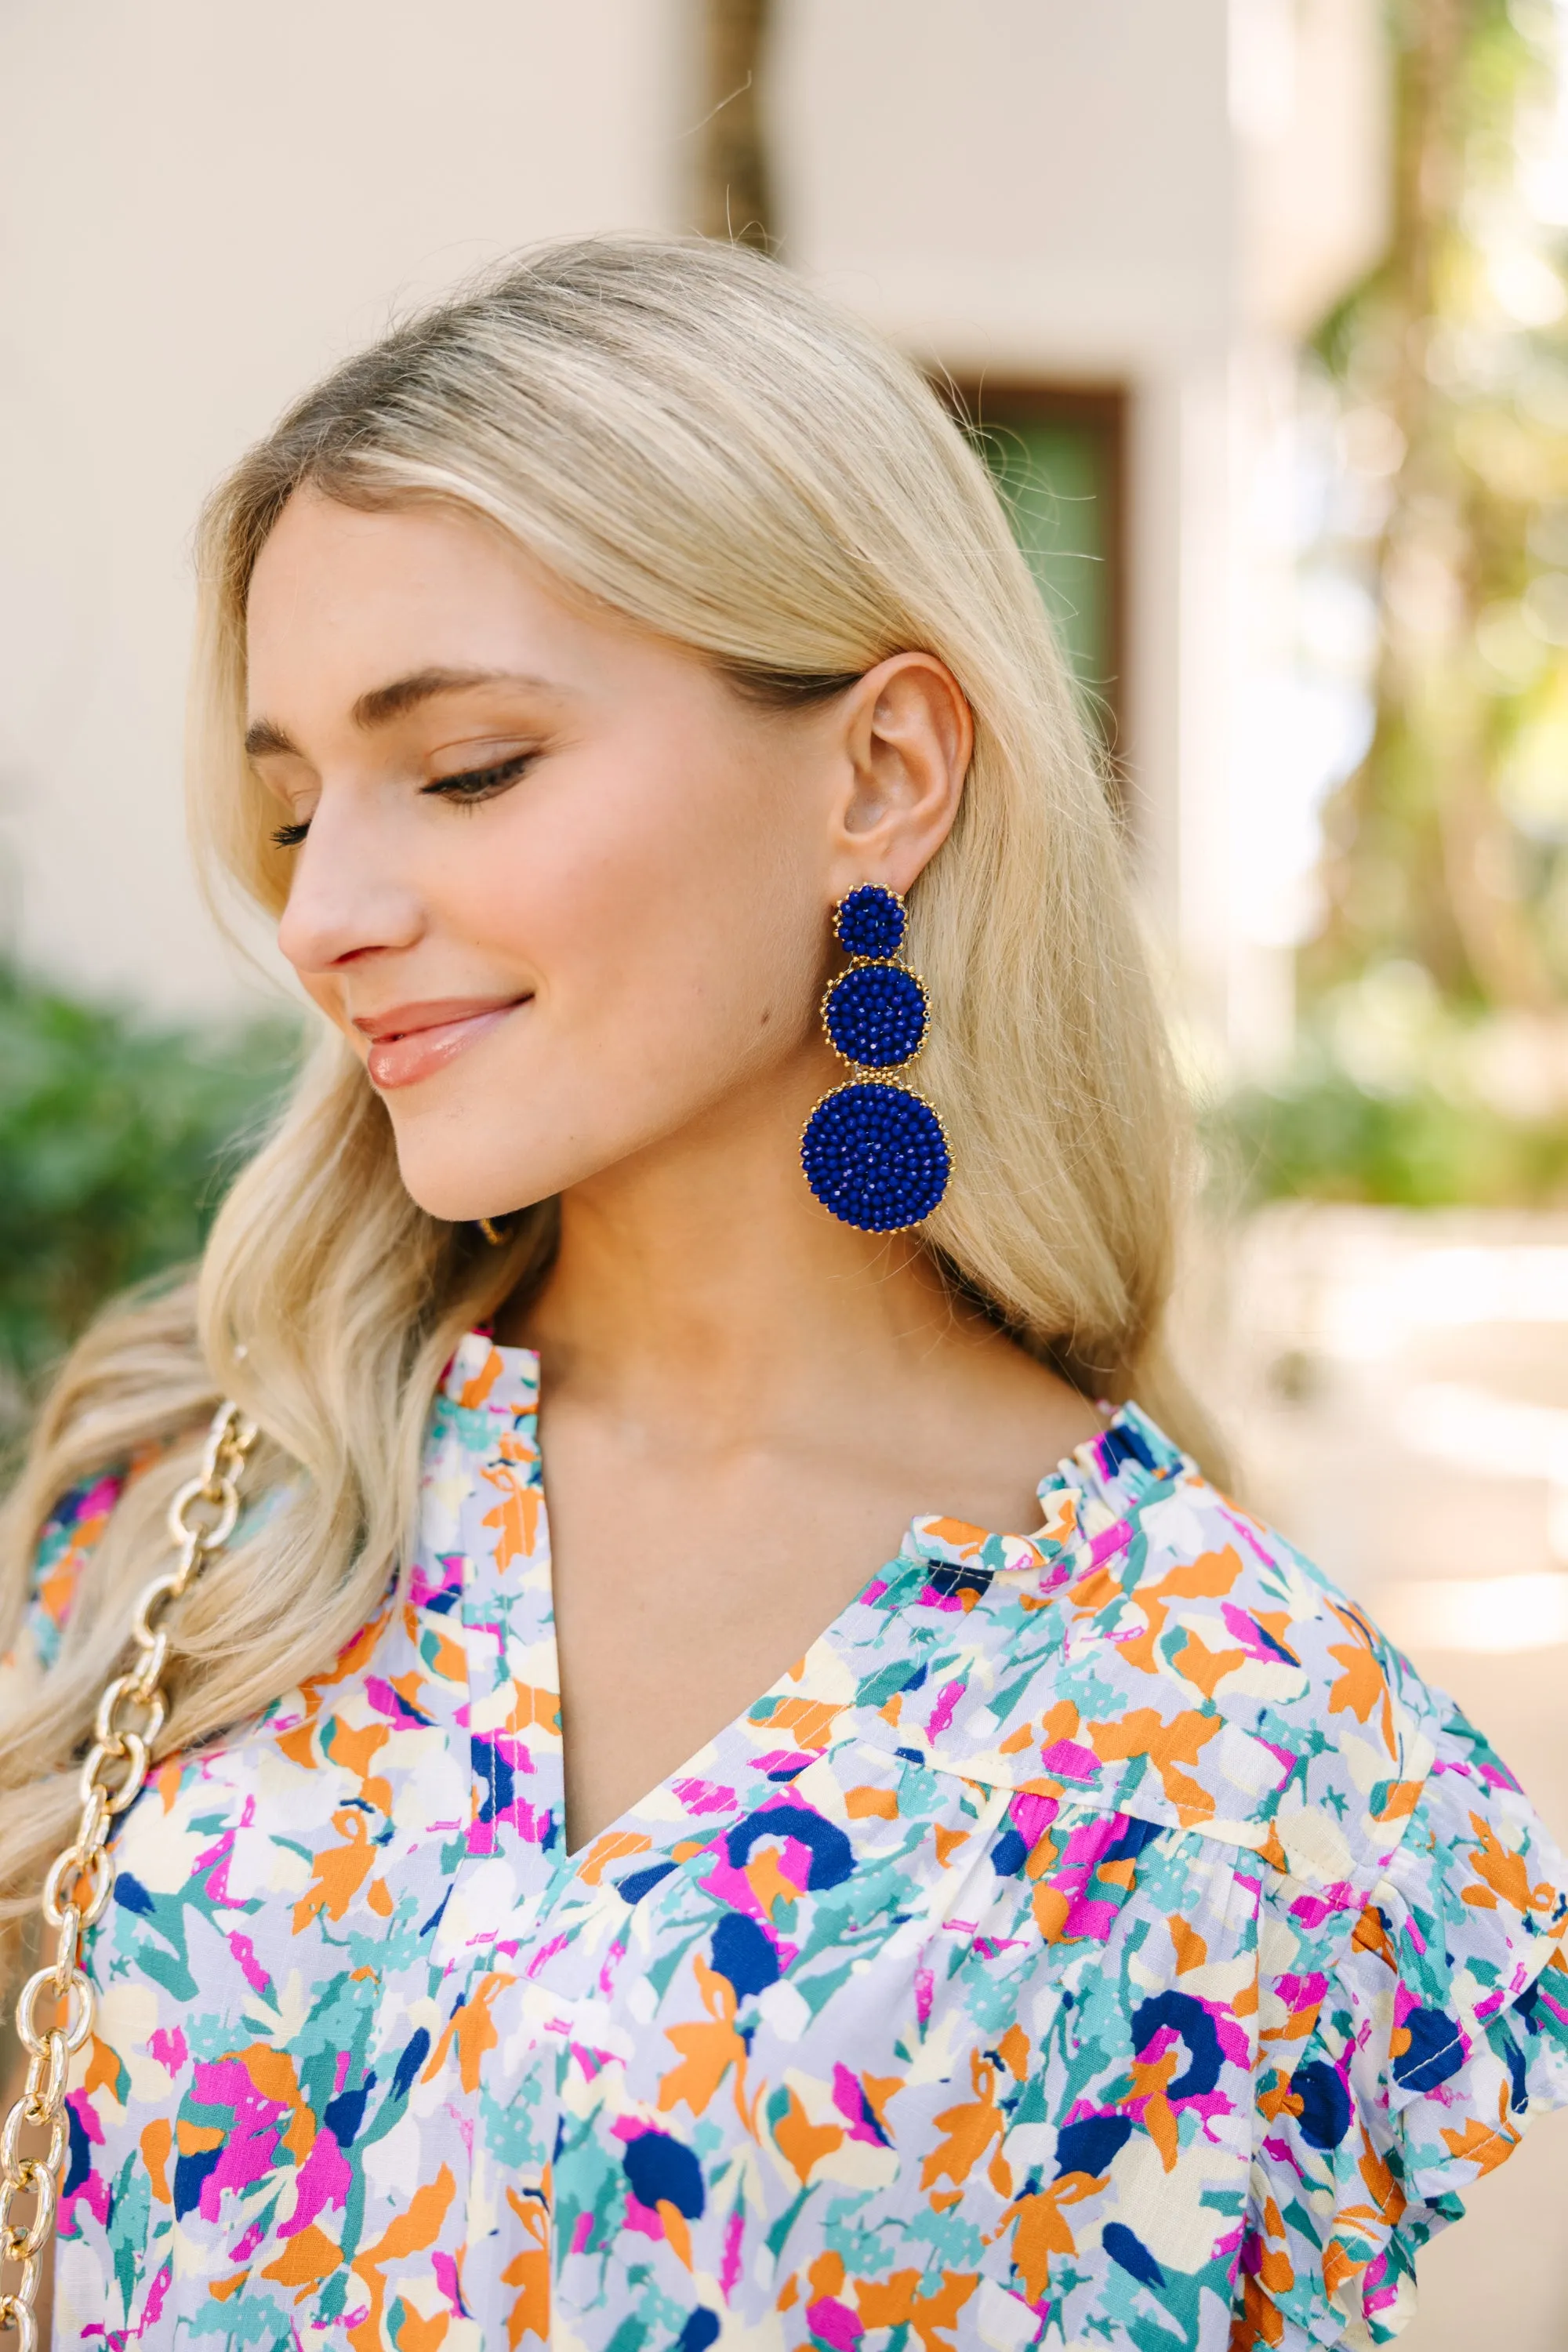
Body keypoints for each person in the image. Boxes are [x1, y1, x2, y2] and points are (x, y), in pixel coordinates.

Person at [0, 236, 1563, 2352]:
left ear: (883, 774)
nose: (329, 914)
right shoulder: (194, 1503)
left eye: (462, 768)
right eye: (290, 811)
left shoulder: (1270, 1774)